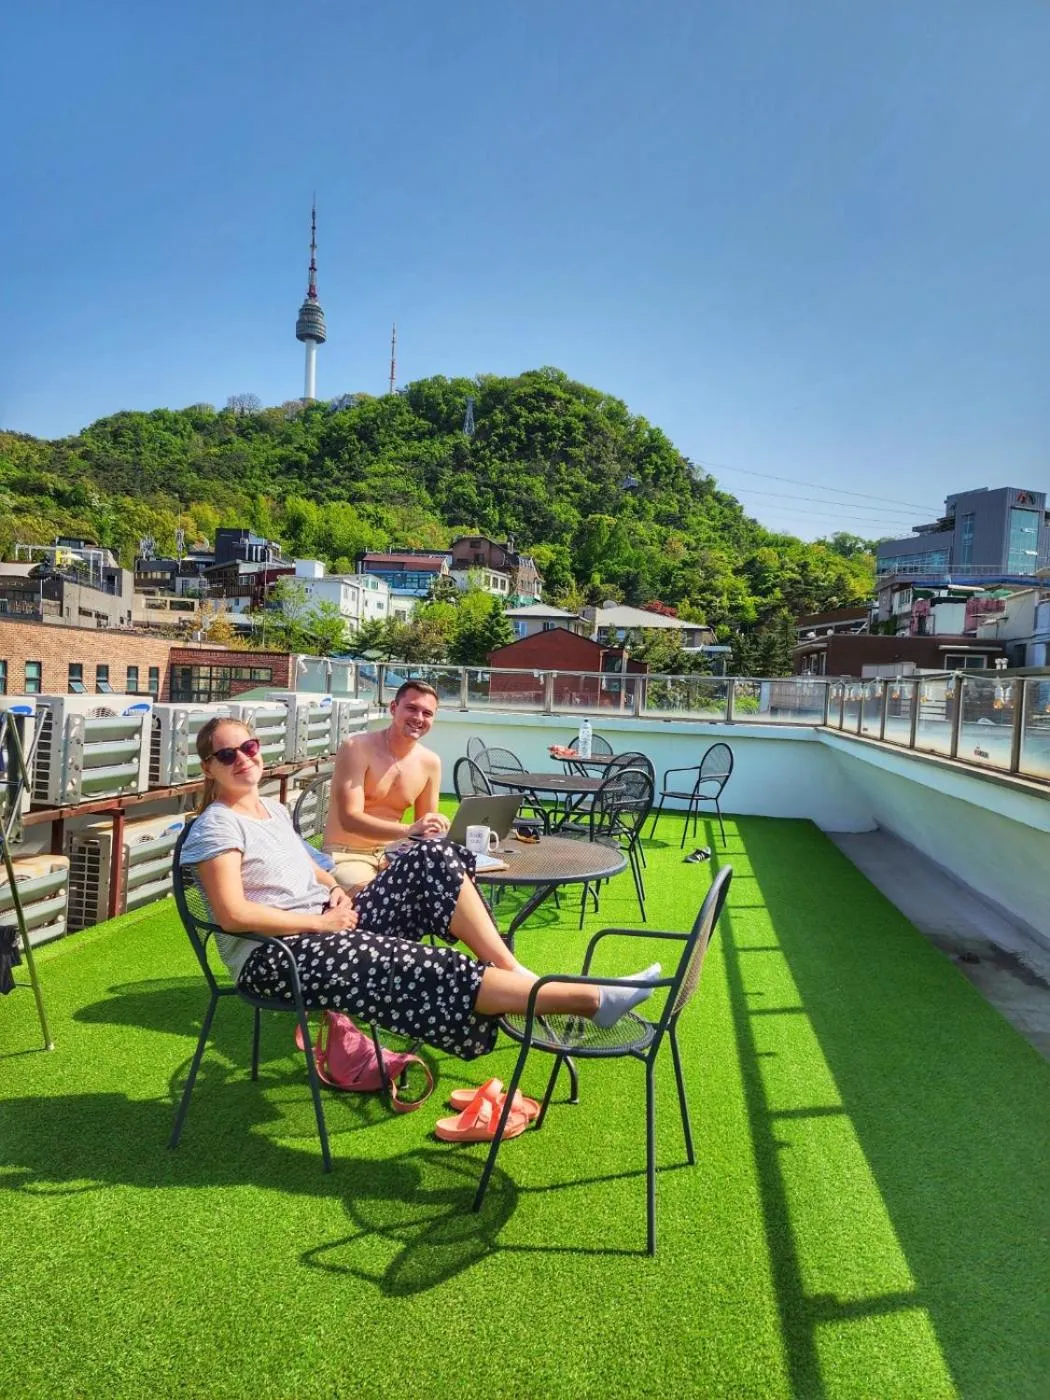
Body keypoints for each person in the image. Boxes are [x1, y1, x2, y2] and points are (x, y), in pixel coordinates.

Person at [178, 716, 661, 1061]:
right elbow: (233, 916)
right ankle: (592, 1000)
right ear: (209, 767)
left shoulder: (273, 810)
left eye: (250, 747)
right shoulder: (216, 827)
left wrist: (333, 889)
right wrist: (321, 920)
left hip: (328, 923)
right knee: (437, 966)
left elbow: (310, 866)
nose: (243, 759)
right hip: (275, 956)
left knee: (434, 855)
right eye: (228, 754)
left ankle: (510, 970)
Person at [322, 679, 449, 894]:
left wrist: (437, 827)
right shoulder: (357, 747)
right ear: (393, 708)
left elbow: (425, 831)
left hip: (393, 855)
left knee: (450, 886)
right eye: (411, 708)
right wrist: (408, 830)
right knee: (381, 897)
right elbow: (349, 820)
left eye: (427, 713)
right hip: (347, 855)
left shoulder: (430, 762)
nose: (419, 718)